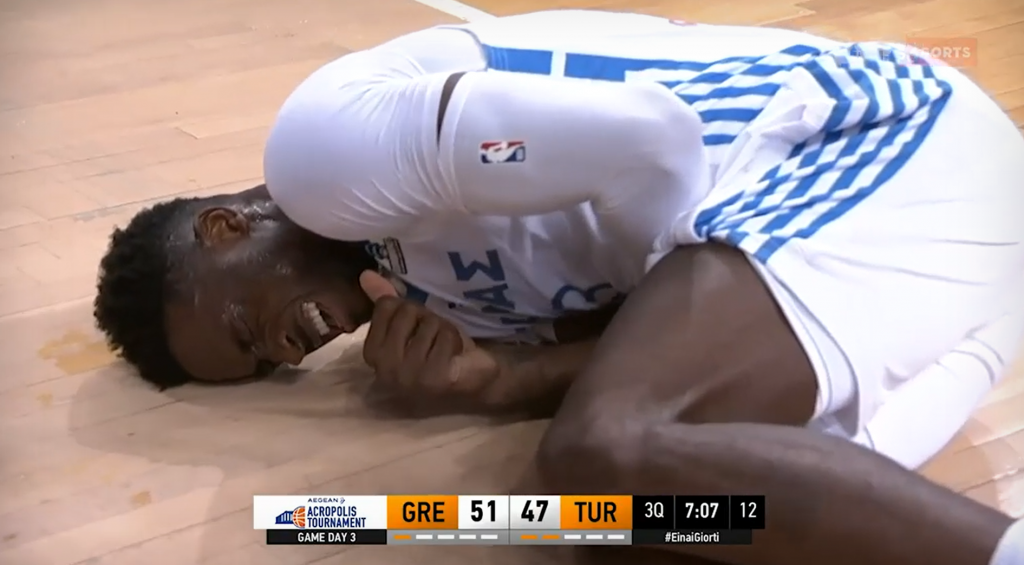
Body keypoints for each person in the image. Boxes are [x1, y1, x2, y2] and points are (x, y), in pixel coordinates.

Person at [93, 10, 1024, 565]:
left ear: (227, 228)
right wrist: (497, 378)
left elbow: (654, 141)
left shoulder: (322, 157)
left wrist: (626, 323)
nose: (288, 351)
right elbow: (661, 357)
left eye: (245, 329)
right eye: (267, 368)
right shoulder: (414, 295)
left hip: (880, 143)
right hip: (953, 293)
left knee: (598, 453)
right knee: (632, 532)